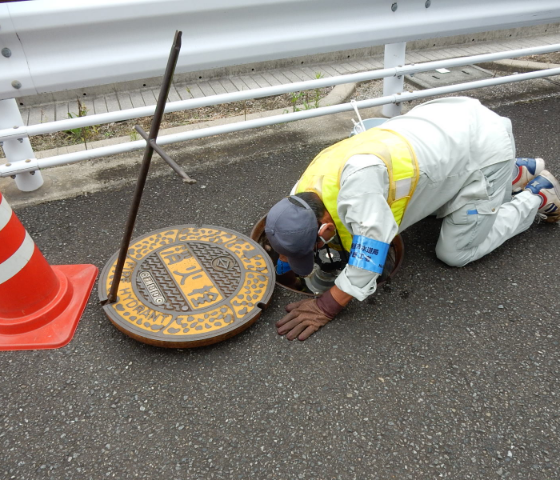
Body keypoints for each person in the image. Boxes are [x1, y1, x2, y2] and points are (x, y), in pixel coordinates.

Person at [265, 97, 560, 341]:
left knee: (455, 253)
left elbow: (370, 255)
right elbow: (290, 241)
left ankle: (538, 194)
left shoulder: (359, 191)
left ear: (325, 227)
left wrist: (326, 305)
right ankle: (514, 173)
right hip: (442, 123)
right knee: (436, 204)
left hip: (484, 145)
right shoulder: (302, 190)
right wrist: (285, 261)